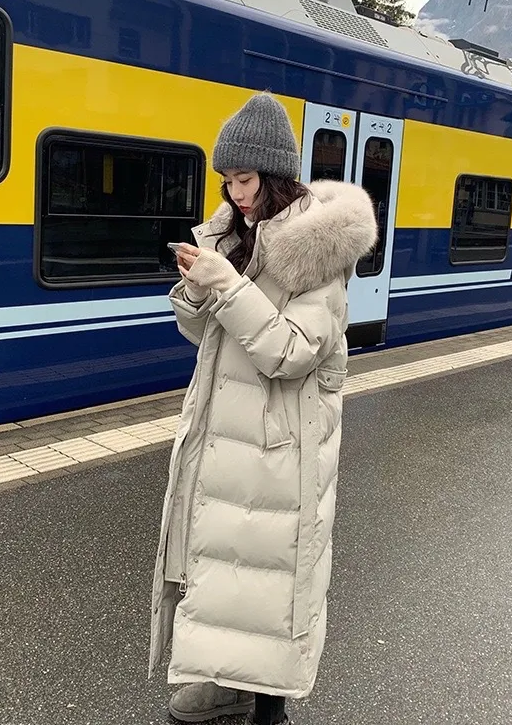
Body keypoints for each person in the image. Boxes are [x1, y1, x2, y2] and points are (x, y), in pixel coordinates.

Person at [148, 93, 378, 724]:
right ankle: (224, 683)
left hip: (284, 444)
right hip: (228, 431)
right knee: (227, 570)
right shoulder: (237, 237)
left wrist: (224, 285)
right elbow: (209, 339)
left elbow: (289, 352)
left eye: (244, 180)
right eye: (227, 181)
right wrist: (197, 293)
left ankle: (269, 705)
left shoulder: (318, 254)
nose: (235, 193)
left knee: (274, 576)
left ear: (275, 176)